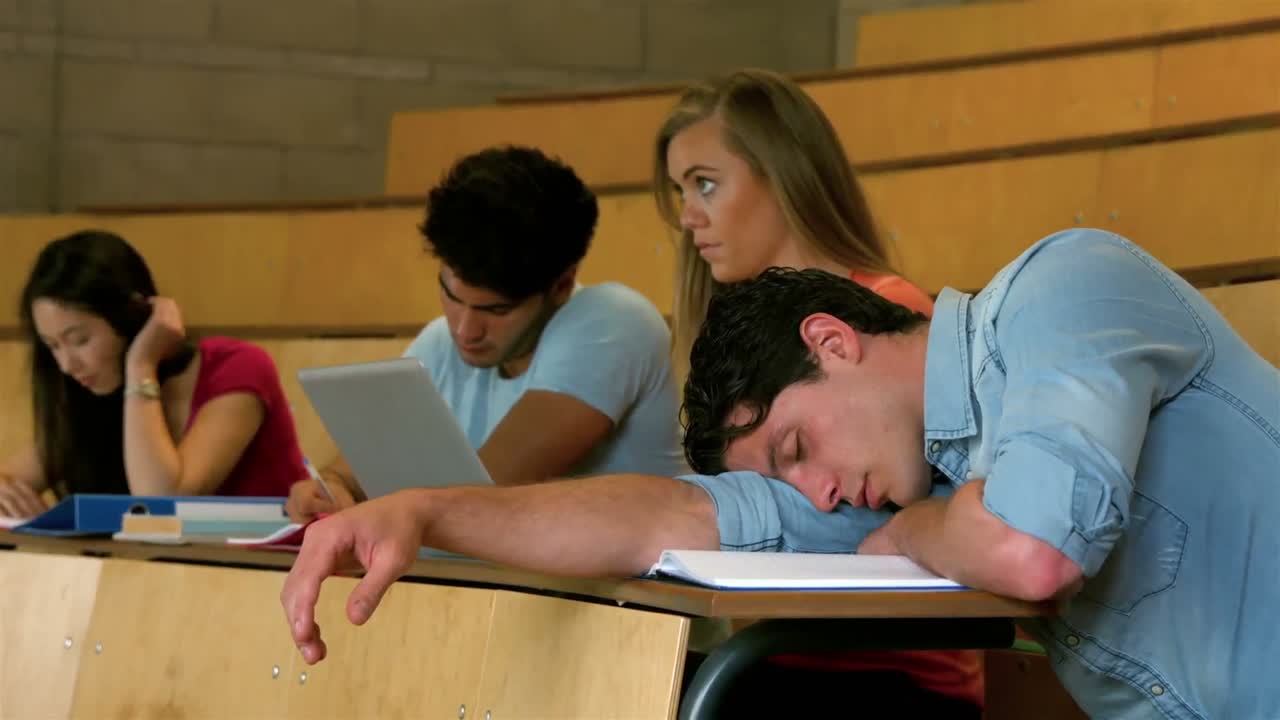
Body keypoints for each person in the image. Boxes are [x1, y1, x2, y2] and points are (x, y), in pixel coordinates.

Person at [282, 228, 1279, 718]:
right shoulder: (910, 477)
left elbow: (1030, 553)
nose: (817, 494)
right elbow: (666, 519)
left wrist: (919, 534)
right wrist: (426, 513)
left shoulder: (1064, 285)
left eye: (793, 450)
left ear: (832, 340)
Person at [655, 68, 979, 714]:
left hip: (895, 677)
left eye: (706, 184)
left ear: (783, 174)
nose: (688, 217)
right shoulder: (728, 348)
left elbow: (889, 524)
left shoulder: (889, 320)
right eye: (680, 191)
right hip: (771, 657)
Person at [285, 146, 685, 520]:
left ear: (562, 285)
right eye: (451, 296)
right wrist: (329, 489)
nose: (465, 329)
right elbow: (358, 465)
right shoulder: (440, 341)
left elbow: (481, 501)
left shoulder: (612, 322)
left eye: (496, 310)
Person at [0, 231, 307, 518]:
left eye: (80, 340)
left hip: (270, 557)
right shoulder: (93, 391)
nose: (67, 365)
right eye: (52, 346)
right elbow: (11, 477)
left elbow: (164, 502)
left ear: (129, 315)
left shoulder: (237, 367)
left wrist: (141, 365)